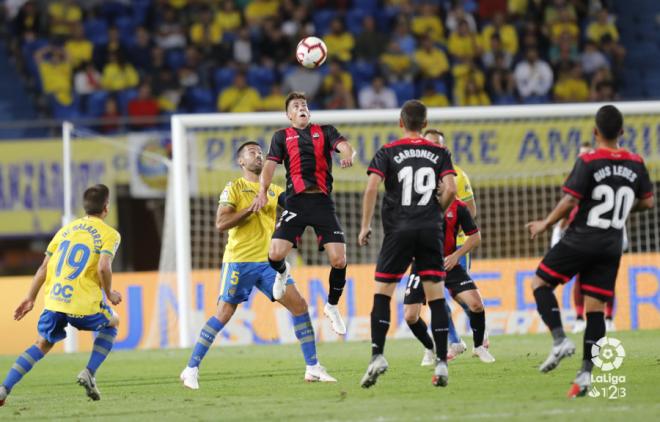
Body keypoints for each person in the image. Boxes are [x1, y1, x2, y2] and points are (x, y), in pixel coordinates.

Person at [180, 142, 335, 389]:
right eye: (252, 152)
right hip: (239, 262)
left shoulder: (273, 190)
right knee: (224, 314)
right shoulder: (235, 187)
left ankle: (313, 367)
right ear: (241, 161)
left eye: (260, 152)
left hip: (268, 264)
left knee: (300, 306)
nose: (258, 154)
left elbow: (298, 207)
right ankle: (190, 369)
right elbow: (221, 223)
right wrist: (250, 210)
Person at [526, 105, 654, 398]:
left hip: (582, 238)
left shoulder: (588, 160)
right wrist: (620, 212)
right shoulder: (636, 162)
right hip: (611, 244)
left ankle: (559, 339)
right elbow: (647, 202)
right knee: (596, 310)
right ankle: (585, 374)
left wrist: (546, 223)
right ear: (622, 132)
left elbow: (570, 201)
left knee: (540, 282)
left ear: (595, 132)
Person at [358, 100, 457, 388]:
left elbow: (371, 187)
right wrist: (436, 211)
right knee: (436, 297)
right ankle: (441, 363)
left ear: (401, 122)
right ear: (425, 125)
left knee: (383, 294)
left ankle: (377, 355)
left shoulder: (388, 150)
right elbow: (450, 188)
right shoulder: (440, 151)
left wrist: (365, 226)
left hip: (398, 230)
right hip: (429, 230)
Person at [0, 185, 122, 406]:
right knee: (113, 322)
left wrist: (30, 298)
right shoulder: (110, 234)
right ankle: (89, 372)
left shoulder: (65, 230)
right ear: (106, 208)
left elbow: (43, 268)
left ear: (84, 207)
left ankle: (3, 388)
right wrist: (109, 292)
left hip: (55, 300)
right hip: (83, 304)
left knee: (42, 343)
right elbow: (104, 266)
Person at [251, 92, 355, 335]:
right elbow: (269, 166)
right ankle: (283, 272)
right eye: (296, 106)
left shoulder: (326, 131)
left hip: (322, 202)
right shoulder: (281, 137)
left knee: (339, 259)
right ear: (289, 115)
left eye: (304, 105)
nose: (301, 107)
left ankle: (331, 306)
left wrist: (349, 155)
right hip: (295, 203)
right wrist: (262, 191)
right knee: (275, 254)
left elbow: (345, 146)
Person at [404, 129, 485, 363]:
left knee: (461, 295)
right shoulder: (417, 178)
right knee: (433, 299)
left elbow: (470, 210)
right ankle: (453, 341)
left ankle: (481, 336)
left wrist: (451, 223)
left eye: (435, 145)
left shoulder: (457, 175)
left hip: (455, 244)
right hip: (425, 252)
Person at [551, 142, 619, 334]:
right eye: (581, 154)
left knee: (606, 278)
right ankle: (580, 318)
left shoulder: (606, 179)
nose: (583, 157)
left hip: (604, 233)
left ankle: (609, 318)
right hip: (580, 235)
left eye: (587, 153)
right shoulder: (575, 179)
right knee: (580, 278)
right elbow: (567, 208)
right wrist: (559, 229)